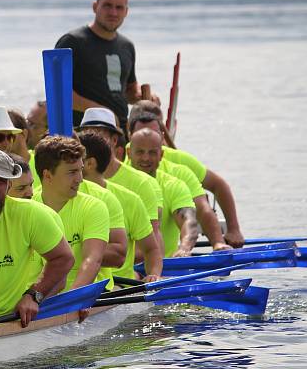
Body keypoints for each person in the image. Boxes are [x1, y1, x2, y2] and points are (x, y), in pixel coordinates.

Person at [0, 148, 73, 327]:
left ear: (9, 186)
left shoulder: (31, 215)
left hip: (14, 320)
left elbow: (64, 258)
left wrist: (34, 295)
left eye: (0, 180)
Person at [129, 100, 244, 247]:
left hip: (164, 261)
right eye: (140, 150)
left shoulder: (180, 167)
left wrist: (221, 241)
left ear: (162, 137)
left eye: (152, 150)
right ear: (129, 138)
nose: (146, 157)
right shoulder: (116, 164)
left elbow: (203, 206)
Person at [55, 0, 159, 134]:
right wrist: (102, 113)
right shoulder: (72, 41)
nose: (113, 13)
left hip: (121, 132)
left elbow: (129, 90)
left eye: (119, 7)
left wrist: (145, 98)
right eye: (107, 5)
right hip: (84, 133)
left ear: (126, 11)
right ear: (95, 7)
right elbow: (60, 92)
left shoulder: (127, 46)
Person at [77, 108, 164, 258]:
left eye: (99, 135)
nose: (92, 142)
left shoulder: (142, 184)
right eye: (87, 136)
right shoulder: (67, 182)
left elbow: (152, 245)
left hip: (126, 274)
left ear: (114, 140)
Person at [32, 136, 110, 292]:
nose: (80, 179)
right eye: (72, 172)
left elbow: (92, 260)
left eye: (80, 170)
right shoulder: (28, 207)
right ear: (47, 175)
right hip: (37, 298)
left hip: (85, 297)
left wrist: (74, 298)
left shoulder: (94, 207)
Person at [128, 128, 199, 257]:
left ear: (161, 155)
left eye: (152, 153)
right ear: (129, 153)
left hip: (162, 268)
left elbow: (189, 222)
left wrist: (184, 247)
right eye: (140, 152)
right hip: (122, 268)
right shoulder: (114, 182)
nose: (145, 158)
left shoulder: (174, 186)